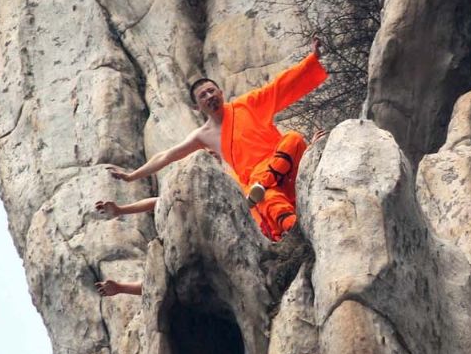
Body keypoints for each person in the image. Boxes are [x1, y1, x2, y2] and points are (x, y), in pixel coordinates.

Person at [94, 37, 328, 297]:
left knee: (293, 138)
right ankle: (298, 235)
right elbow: (167, 156)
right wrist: (132, 176)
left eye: (211, 91)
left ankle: (264, 184)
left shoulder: (247, 105)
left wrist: (312, 60)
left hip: (281, 167)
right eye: (202, 95)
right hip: (259, 189)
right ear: (197, 106)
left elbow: (280, 87)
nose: (209, 96)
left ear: (220, 93)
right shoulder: (204, 137)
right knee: (271, 203)